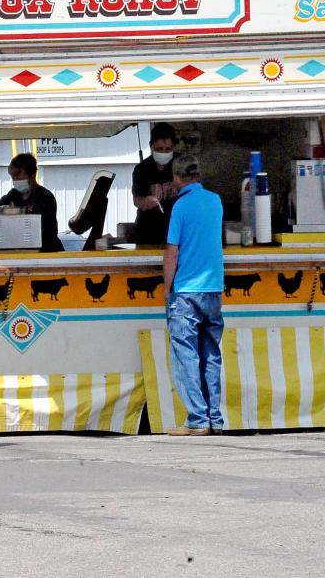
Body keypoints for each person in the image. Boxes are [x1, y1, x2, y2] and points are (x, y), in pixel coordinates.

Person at [162, 154, 225, 436]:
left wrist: (167, 288)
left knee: (186, 355)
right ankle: (215, 419)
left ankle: (198, 420)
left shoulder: (180, 206)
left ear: (176, 179)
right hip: (213, 289)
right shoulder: (215, 201)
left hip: (186, 291)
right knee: (211, 354)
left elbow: (172, 251)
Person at [0, 152, 64, 253]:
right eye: (12, 176)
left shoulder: (45, 197)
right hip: (22, 254)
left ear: (32, 174)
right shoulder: (14, 194)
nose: (15, 179)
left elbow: (45, 232)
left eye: (18, 174)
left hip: (47, 254)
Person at [132, 122, 180, 244]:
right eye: (159, 149)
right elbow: (137, 200)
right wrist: (145, 202)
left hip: (178, 231)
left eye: (168, 149)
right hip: (148, 233)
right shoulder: (141, 170)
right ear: (151, 146)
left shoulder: (182, 165)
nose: (164, 153)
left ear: (174, 147)